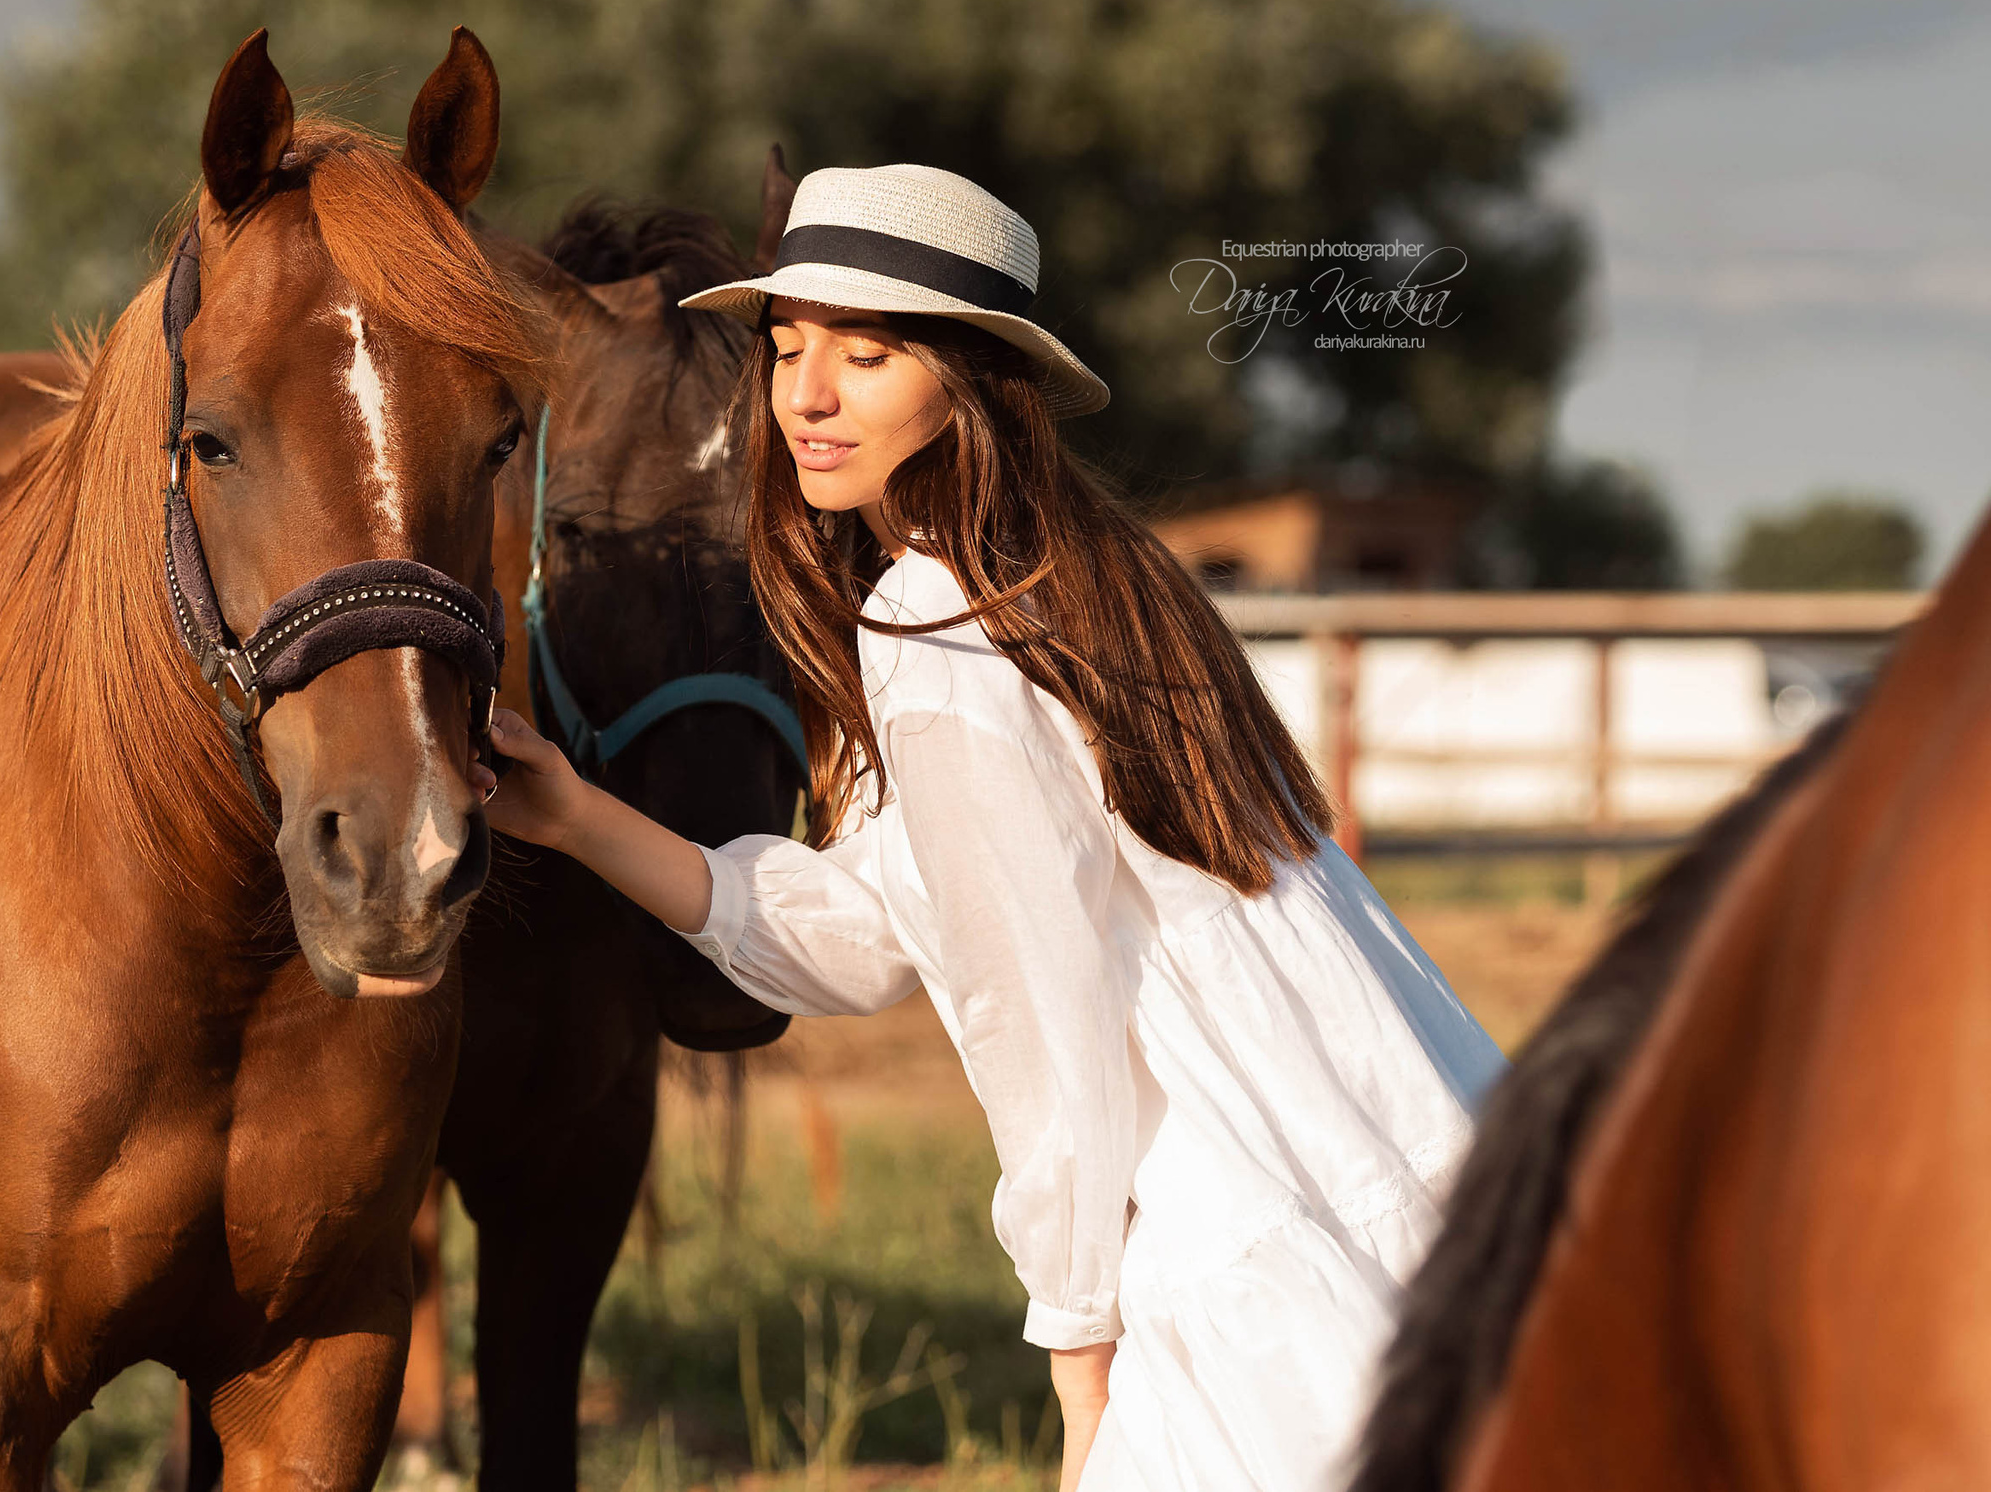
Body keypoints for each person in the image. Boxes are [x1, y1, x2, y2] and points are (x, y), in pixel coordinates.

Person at [477, 163, 1505, 1492]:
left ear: (966, 380)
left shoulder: (938, 626)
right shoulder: (1080, 575)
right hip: (1372, 1147)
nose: (807, 394)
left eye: (867, 354)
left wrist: (1082, 1347)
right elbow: (873, 931)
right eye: (786, 348)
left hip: (1232, 1196)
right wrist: (576, 815)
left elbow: (1040, 1010)